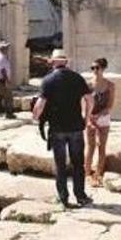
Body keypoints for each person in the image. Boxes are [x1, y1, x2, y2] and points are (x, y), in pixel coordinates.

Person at [32, 49, 94, 208]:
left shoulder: (48, 80)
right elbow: (89, 99)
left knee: (60, 165)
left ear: (52, 62)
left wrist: (36, 118)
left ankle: (63, 198)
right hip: (75, 127)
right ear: (66, 62)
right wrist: (86, 118)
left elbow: (40, 105)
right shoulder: (77, 78)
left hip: (57, 128)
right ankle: (80, 196)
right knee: (78, 164)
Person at [85, 58, 115, 188]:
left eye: (97, 68)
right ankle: (87, 173)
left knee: (101, 146)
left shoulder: (110, 85)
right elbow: (84, 103)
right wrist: (88, 117)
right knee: (90, 146)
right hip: (90, 117)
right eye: (92, 68)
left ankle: (98, 174)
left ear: (103, 69)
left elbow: (110, 105)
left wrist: (99, 115)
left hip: (103, 117)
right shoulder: (88, 85)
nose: (95, 71)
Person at [0, 42, 16, 119]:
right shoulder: (2, 58)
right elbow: (3, 70)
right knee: (8, 97)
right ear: (2, 49)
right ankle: (9, 113)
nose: (7, 49)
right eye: (6, 48)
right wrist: (7, 80)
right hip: (2, 80)